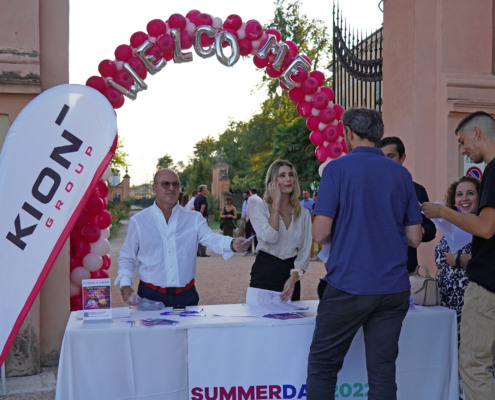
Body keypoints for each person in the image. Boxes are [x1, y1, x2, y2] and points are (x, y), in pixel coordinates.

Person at [307, 108, 423, 400]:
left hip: (348, 283)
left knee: (323, 367)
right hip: (393, 288)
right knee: (383, 373)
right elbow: (414, 237)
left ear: (348, 133)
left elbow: (319, 234)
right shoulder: (401, 173)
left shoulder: (337, 169)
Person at [421, 111, 495, 400]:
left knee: (474, 365)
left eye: (463, 141)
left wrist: (442, 212)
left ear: (477, 133)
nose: (463, 150)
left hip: (487, 285)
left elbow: (486, 227)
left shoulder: (492, 170)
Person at [117, 169, 250, 307]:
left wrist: (231, 243)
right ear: (154, 187)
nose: (171, 188)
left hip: (186, 297)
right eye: (165, 184)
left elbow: (211, 238)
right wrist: (125, 284)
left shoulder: (194, 219)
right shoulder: (139, 221)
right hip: (150, 296)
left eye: (175, 184)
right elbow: (127, 257)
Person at [249, 160, 312, 301]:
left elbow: (304, 251)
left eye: (291, 175)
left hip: (291, 277)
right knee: (261, 321)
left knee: (290, 322)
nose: (288, 179)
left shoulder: (303, 214)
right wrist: (276, 201)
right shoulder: (259, 210)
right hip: (264, 272)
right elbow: (271, 237)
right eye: (282, 175)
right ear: (273, 181)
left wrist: (294, 278)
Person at [376, 136, 437, 273]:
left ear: (402, 158)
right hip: (374, 267)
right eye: (381, 157)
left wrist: (416, 230)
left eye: (390, 156)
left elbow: (430, 228)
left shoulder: (416, 190)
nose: (385, 162)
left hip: (404, 268)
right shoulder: (368, 188)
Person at [435, 176, 480, 346]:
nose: (464, 199)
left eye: (470, 193)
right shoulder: (451, 226)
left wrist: (459, 259)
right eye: (459, 194)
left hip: (471, 302)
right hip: (446, 304)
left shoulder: (485, 226)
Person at [245, 187, 262, 255]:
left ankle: (249, 249)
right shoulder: (260, 199)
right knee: (256, 234)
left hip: (251, 218)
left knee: (248, 234)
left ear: (251, 192)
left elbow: (248, 208)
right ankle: (256, 249)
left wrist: (247, 218)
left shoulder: (251, 198)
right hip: (257, 218)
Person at [194, 185, 210, 257]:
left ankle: (198, 251)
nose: (206, 191)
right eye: (206, 189)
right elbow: (202, 208)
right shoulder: (203, 198)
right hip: (202, 217)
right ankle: (203, 252)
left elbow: (194, 208)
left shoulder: (196, 198)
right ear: (203, 190)